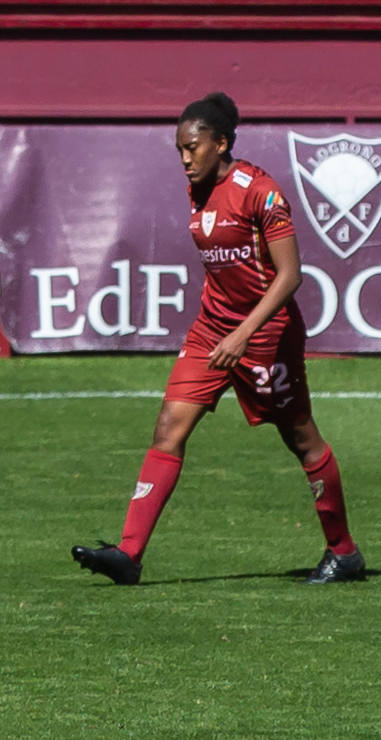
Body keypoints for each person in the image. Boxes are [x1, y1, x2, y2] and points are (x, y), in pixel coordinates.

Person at [72, 92, 364, 585]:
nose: (185, 159)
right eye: (180, 150)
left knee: (301, 438)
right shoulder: (198, 188)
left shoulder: (261, 191)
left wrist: (244, 334)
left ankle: (344, 552)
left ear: (221, 143)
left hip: (266, 334)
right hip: (212, 327)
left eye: (193, 147)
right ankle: (129, 554)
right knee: (169, 427)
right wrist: (225, 330)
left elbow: (290, 275)